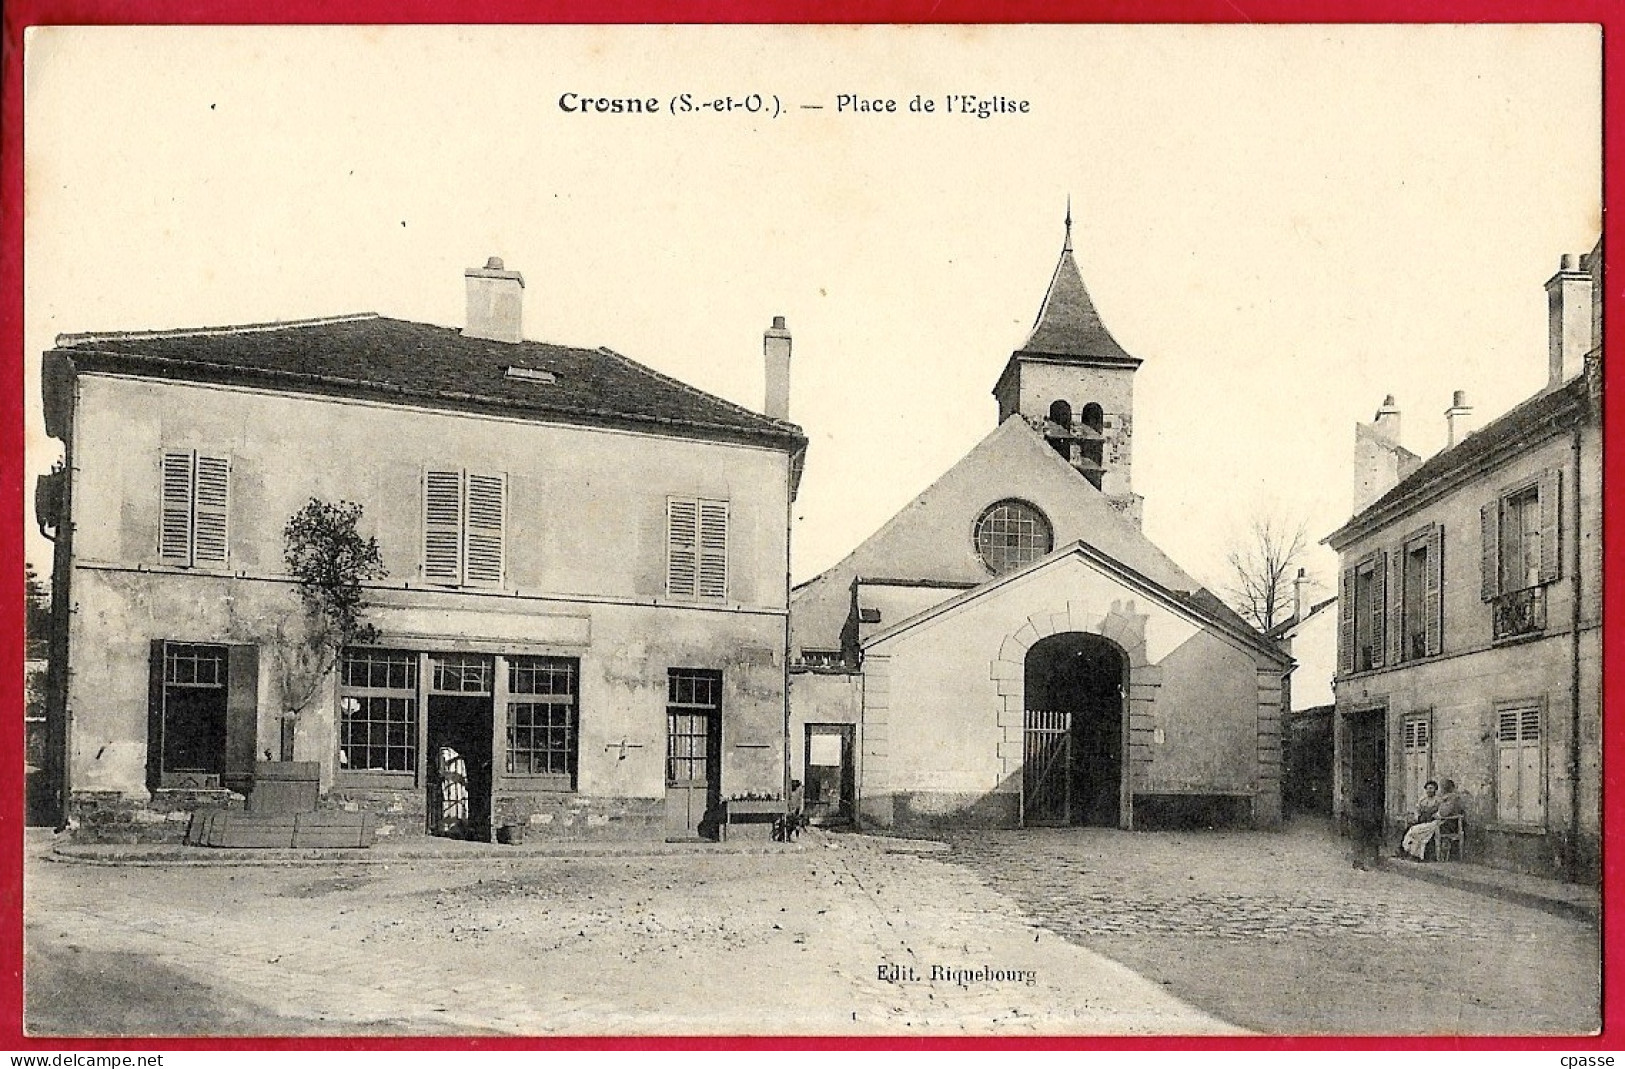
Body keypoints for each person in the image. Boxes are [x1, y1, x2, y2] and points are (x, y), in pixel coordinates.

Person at [1398, 780, 1442, 860]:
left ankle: (1419, 855)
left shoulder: (1438, 801)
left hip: (1431, 822)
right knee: (1408, 829)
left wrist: (1435, 816)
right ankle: (1405, 851)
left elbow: (1439, 812)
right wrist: (1417, 816)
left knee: (1421, 833)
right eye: (1427, 789)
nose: (1429, 791)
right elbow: (1417, 810)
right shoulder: (1422, 800)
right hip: (1422, 820)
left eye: (1431, 788)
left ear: (1435, 789)